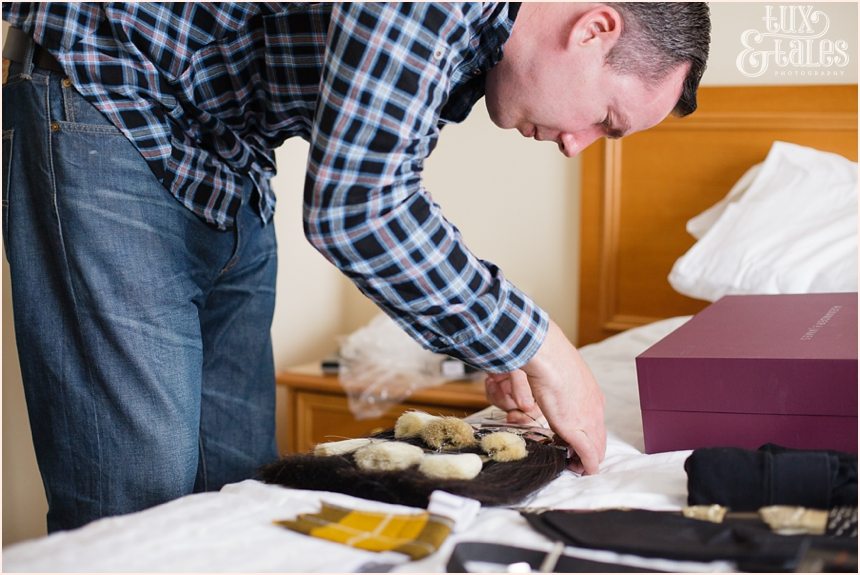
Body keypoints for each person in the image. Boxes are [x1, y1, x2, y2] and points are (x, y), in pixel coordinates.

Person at [2, 2, 710, 532]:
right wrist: (544, 346)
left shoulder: (467, 46)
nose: (577, 147)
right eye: (605, 121)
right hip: (110, 88)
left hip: (224, 157)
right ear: (594, 29)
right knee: (138, 499)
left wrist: (489, 342)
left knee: (239, 484)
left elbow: (382, 184)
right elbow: (360, 208)